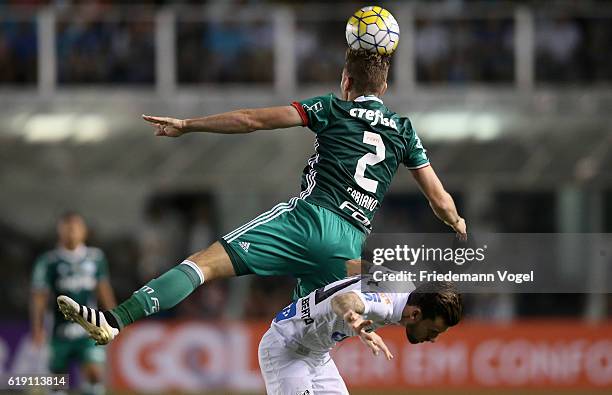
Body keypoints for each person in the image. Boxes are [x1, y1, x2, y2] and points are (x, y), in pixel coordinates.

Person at [56, 48, 466, 345]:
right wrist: (458, 225)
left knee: (204, 265)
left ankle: (115, 319)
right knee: (306, 343)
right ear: (386, 86)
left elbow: (251, 119)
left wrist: (188, 124)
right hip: (349, 248)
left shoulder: (331, 108)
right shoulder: (403, 129)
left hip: (308, 220)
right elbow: (440, 200)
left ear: (346, 82)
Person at [259, 277, 463, 394]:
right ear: (416, 314)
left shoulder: (406, 286)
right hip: (286, 351)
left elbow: (360, 268)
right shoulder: (384, 306)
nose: (433, 339)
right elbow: (342, 300)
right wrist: (356, 322)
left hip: (318, 356)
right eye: (433, 331)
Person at [31, 212, 116, 395]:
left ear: (84, 231)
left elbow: (103, 289)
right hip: (58, 331)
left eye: (76, 228)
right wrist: (37, 327)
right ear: (59, 232)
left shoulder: (95, 258)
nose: (72, 232)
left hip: (88, 329)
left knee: (94, 373)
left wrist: (114, 317)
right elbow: (39, 297)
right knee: (58, 381)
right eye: (67, 228)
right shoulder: (48, 261)